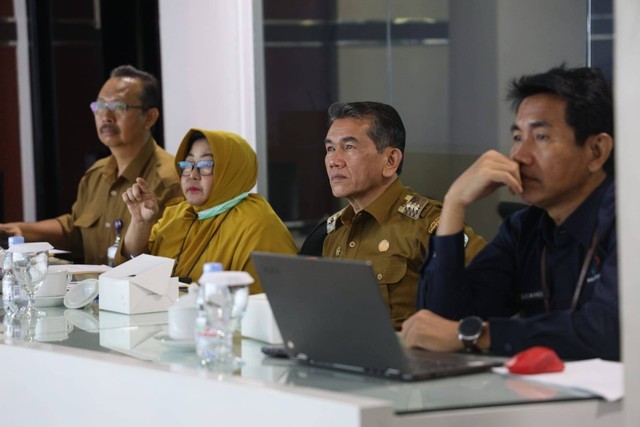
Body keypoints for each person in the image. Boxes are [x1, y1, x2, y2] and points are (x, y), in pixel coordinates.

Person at [401, 65, 618, 361]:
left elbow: (607, 332)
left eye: (541, 137)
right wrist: (454, 204)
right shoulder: (523, 229)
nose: (519, 156)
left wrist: (479, 335)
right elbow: (441, 324)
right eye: (518, 137)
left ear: (596, 151)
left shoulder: (627, 221)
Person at [302, 102, 485, 329]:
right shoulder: (333, 231)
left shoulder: (427, 224)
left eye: (349, 147)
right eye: (330, 149)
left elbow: (492, 288)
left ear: (390, 161)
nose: (333, 161)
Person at [0, 65, 183, 265]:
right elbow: (76, 232)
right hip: (89, 294)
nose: (106, 116)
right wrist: (18, 231)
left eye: (118, 107)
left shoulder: (170, 180)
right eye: (100, 106)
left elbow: (171, 257)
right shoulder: (96, 174)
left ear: (149, 117)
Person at [120, 129, 298, 293]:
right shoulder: (178, 213)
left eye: (206, 164)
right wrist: (140, 223)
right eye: (188, 164)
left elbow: (270, 304)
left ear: (232, 171)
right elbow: (136, 265)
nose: (192, 174)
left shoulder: (258, 224)